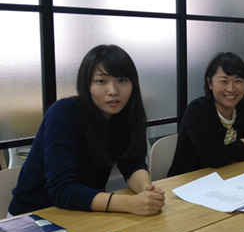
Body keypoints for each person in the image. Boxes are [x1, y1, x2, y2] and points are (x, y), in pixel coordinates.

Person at [9, 45, 165, 216]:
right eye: (101, 81)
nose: (113, 91)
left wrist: (146, 190)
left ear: (133, 84)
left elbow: (132, 163)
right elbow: (62, 190)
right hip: (33, 218)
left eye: (122, 80)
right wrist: (129, 203)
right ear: (86, 85)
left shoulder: (123, 116)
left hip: (85, 212)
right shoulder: (64, 112)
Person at [168, 52, 244, 176]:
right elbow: (212, 158)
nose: (231, 88)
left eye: (238, 81)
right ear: (210, 83)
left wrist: (229, 154)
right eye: (224, 81)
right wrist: (242, 144)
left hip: (228, 176)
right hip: (187, 182)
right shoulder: (198, 110)